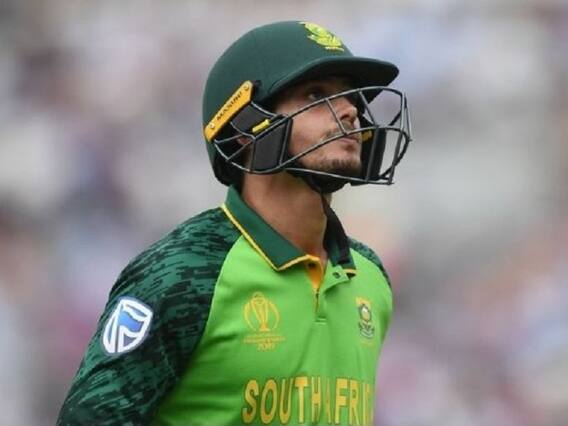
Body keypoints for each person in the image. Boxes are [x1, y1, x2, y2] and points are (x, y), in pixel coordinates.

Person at [57, 20, 412, 425]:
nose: (350, 111)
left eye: (351, 97)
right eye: (316, 95)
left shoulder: (369, 276)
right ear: (245, 127)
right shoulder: (185, 272)